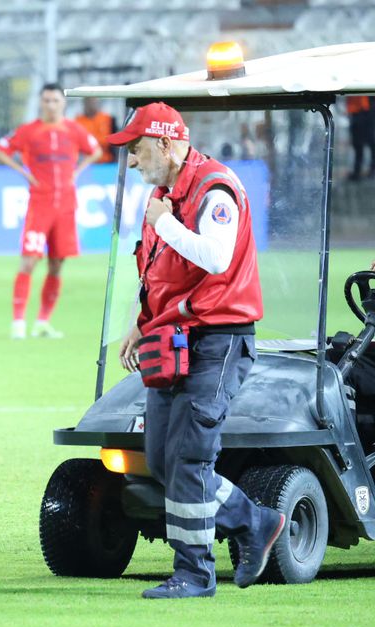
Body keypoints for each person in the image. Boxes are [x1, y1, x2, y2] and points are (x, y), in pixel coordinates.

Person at [114, 102, 285, 599]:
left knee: (188, 458)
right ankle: (255, 522)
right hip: (173, 337)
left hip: (219, 337)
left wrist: (166, 223)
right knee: (164, 462)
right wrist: (136, 323)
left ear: (166, 143)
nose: (132, 161)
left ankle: (194, 573)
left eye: (137, 149)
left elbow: (217, 257)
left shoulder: (215, 187)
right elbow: (154, 273)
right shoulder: (164, 195)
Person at [0, 83, 101, 339]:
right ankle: (18, 322)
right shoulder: (28, 131)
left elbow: (95, 151)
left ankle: (42, 322)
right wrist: (23, 172)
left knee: (56, 265)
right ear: (41, 103)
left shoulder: (74, 130)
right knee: (29, 260)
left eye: (55, 100)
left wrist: (76, 172)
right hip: (39, 204)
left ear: (62, 103)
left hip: (66, 205)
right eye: (46, 100)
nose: (50, 105)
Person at [74, 96, 116, 165]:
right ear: (84, 104)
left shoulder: (108, 119)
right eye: (88, 102)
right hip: (85, 163)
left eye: (93, 102)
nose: (91, 105)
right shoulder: (78, 121)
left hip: (107, 162)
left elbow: (113, 140)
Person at [346, 95, 374, 181]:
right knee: (360, 143)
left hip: (364, 109)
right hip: (359, 109)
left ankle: (363, 171)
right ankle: (358, 171)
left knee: (368, 142)